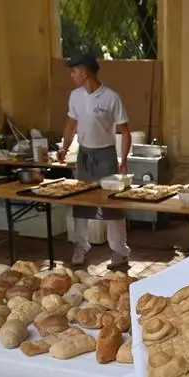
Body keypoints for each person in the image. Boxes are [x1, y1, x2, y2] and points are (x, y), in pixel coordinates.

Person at [58, 52, 131, 270]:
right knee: (80, 204)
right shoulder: (75, 96)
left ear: (86, 72)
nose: (72, 75)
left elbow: (125, 131)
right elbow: (71, 125)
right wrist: (64, 147)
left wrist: (123, 159)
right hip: (84, 155)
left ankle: (119, 251)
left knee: (112, 205)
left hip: (106, 156)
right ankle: (80, 246)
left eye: (74, 71)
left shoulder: (111, 97)